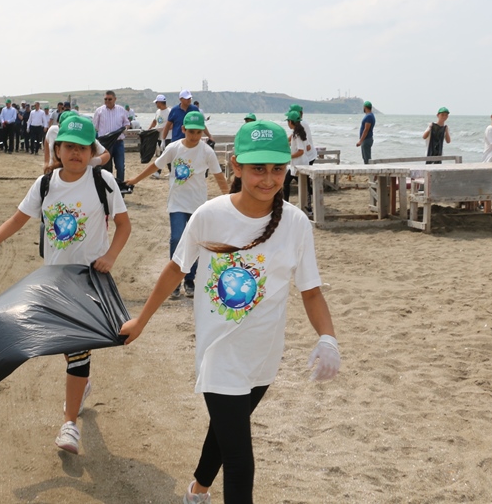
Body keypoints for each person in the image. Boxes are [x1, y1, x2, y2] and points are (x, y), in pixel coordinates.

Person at [119, 119, 340, 504]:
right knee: (241, 460)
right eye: (258, 169)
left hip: (264, 357)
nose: (268, 179)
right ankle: (202, 491)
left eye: (277, 168)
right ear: (235, 166)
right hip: (219, 353)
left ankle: (197, 490)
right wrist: (142, 319)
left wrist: (328, 337)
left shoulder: (296, 224)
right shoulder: (210, 215)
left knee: (225, 432)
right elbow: (176, 268)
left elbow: (311, 291)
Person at [0, 115, 131, 455]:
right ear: (57, 149)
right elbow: (19, 218)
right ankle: (80, 388)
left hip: (90, 279)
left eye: (82, 148)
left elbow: (123, 226)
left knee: (76, 350)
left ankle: (69, 424)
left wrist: (111, 257)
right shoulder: (45, 185)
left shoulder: (103, 181)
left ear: (92, 151)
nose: (75, 154)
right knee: (69, 346)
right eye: (69, 147)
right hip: (55, 279)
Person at [126, 110, 229, 298]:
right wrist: (135, 179)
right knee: (176, 239)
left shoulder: (207, 151)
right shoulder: (174, 148)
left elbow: (219, 177)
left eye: (199, 132)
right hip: (177, 203)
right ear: (183, 129)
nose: (195, 136)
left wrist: (230, 199)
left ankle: (189, 280)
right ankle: (174, 281)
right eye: (191, 132)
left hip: (198, 205)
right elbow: (155, 165)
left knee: (196, 242)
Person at [43, 111, 111, 173]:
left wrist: (92, 162)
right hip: (54, 171)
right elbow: (46, 140)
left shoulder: (85, 138)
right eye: (69, 146)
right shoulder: (53, 131)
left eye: (82, 147)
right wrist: (46, 162)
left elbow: (106, 154)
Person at [92, 90, 131, 182]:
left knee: (120, 166)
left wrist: (125, 129)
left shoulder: (121, 110)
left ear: (115, 99)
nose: (107, 101)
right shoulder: (99, 111)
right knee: (105, 166)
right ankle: (107, 186)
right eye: (105, 99)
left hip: (118, 142)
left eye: (110, 99)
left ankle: (120, 186)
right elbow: (95, 127)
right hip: (105, 144)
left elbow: (127, 123)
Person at [284, 110, 315, 212]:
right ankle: (305, 205)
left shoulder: (297, 134)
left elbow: (301, 151)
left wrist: (289, 156)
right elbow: (308, 146)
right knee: (302, 185)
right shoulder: (298, 132)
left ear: (291, 122)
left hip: (299, 164)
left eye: (288, 121)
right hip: (299, 163)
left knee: (289, 183)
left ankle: (307, 207)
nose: (287, 123)